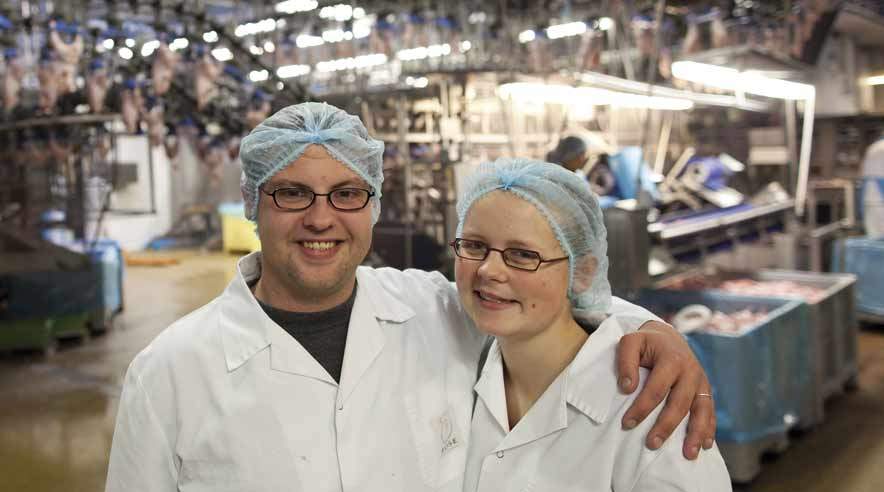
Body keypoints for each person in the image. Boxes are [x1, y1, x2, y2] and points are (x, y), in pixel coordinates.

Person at [105, 102, 716, 492]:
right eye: (293, 194)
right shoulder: (169, 374)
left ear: (372, 206)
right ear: (252, 204)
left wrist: (658, 334)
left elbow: (546, 296)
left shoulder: (432, 309)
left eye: (346, 193)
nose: (322, 218)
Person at [455, 158, 730, 491]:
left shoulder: (649, 408)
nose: (488, 271)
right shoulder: (459, 367)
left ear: (583, 273)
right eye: (474, 246)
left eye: (523, 255)